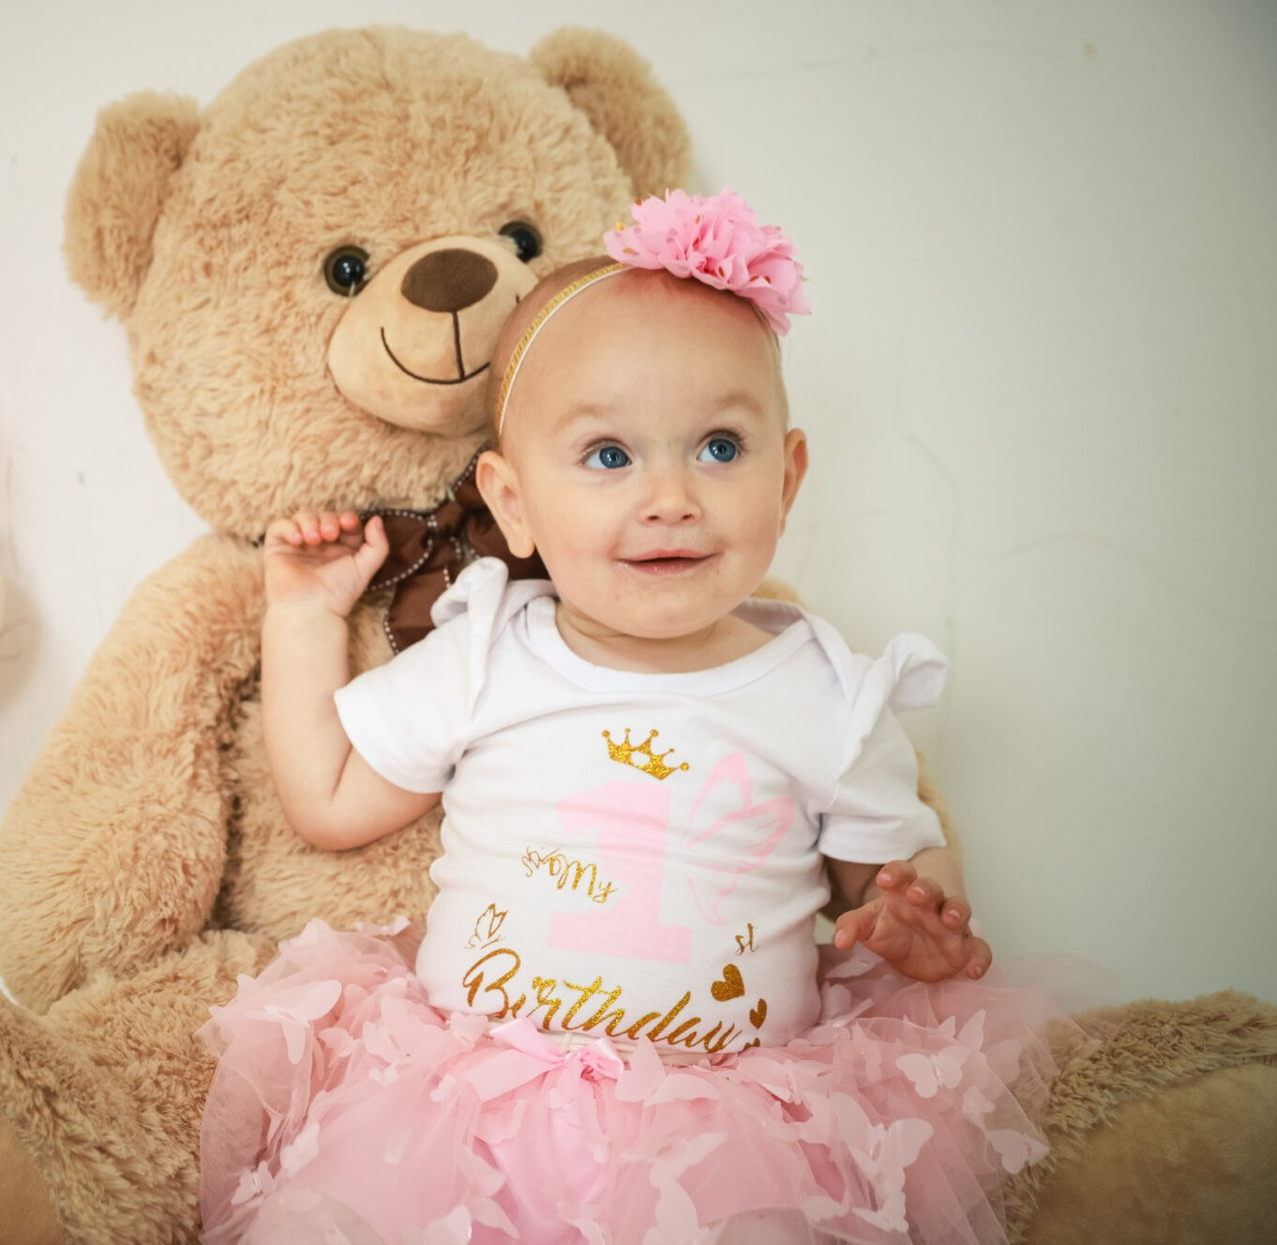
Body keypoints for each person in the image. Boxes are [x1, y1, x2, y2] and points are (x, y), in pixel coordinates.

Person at [199, 190, 1092, 1244]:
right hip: (470, 1109)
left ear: (789, 478)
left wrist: (922, 913)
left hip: (728, 1130)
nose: (670, 496)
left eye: (719, 447)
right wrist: (304, 616)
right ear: (513, 502)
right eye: (610, 456)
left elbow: (890, 873)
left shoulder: (825, 692)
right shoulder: (487, 651)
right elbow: (328, 798)